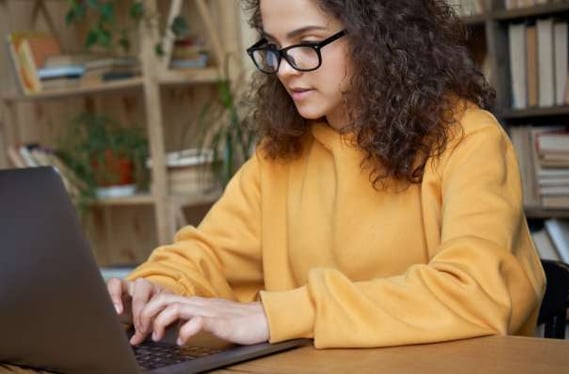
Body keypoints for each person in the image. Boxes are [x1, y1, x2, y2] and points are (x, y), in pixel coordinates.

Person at [108, 0, 545, 349]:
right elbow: (209, 255)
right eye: (274, 46)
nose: (284, 67)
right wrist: (154, 290)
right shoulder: (279, 155)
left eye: (308, 43)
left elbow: (474, 295)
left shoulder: (469, 139)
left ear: (379, 38)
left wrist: (273, 316)